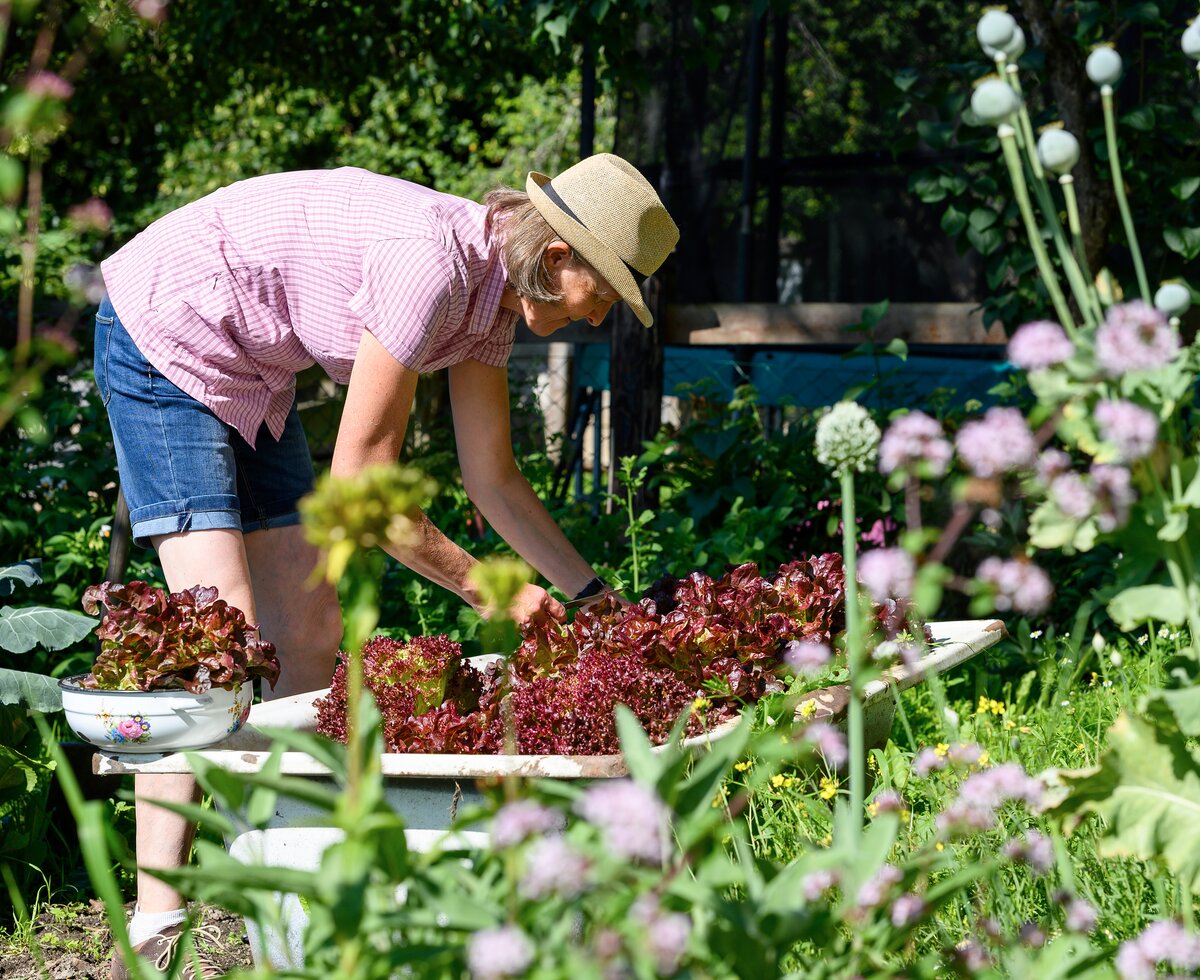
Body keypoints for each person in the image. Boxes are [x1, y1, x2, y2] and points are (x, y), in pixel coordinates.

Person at [94, 153, 679, 979]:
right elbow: (363, 484)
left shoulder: (490, 301)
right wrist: (496, 595)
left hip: (255, 371)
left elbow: (495, 480)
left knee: (310, 627)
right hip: (169, 335)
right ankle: (152, 935)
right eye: (610, 291)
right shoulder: (430, 266)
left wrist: (589, 597)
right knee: (215, 631)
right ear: (558, 258)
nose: (607, 313)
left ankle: (296, 870)